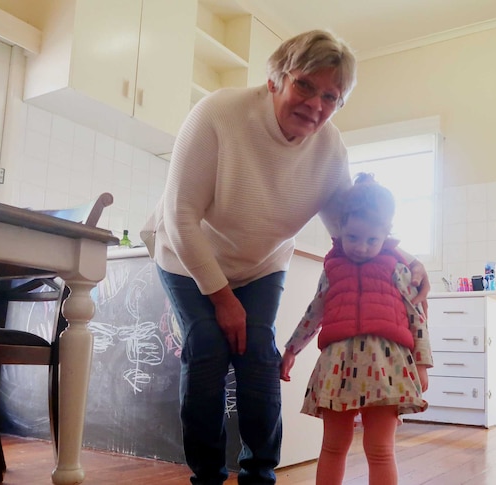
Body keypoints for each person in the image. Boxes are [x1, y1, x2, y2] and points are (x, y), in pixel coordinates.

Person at [140, 30, 430, 485]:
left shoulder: (330, 149)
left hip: (261, 265)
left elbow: (352, 228)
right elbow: (179, 217)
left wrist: (407, 260)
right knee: (207, 352)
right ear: (276, 78)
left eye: (331, 96)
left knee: (258, 357)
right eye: (305, 86)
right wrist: (221, 299)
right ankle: (208, 477)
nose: (316, 104)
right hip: (187, 254)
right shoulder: (218, 114)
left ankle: (260, 475)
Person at [279, 173, 433, 485]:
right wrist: (292, 348)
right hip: (338, 367)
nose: (361, 247)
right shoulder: (332, 268)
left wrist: (422, 364)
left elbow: (417, 318)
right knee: (333, 447)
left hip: (386, 368)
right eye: (353, 238)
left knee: (380, 450)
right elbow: (314, 312)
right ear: (340, 231)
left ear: (386, 235)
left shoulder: (398, 269)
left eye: (372, 240)